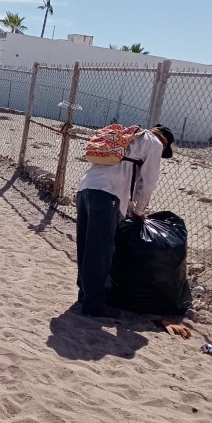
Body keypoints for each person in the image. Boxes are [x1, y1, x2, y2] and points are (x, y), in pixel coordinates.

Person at [74, 124, 175, 318]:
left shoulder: (129, 135)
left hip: (86, 188)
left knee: (85, 246)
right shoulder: (154, 144)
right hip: (107, 195)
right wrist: (138, 211)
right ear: (164, 142)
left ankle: (85, 296)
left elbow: (122, 173)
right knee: (101, 251)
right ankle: (95, 305)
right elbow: (148, 183)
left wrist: (128, 207)